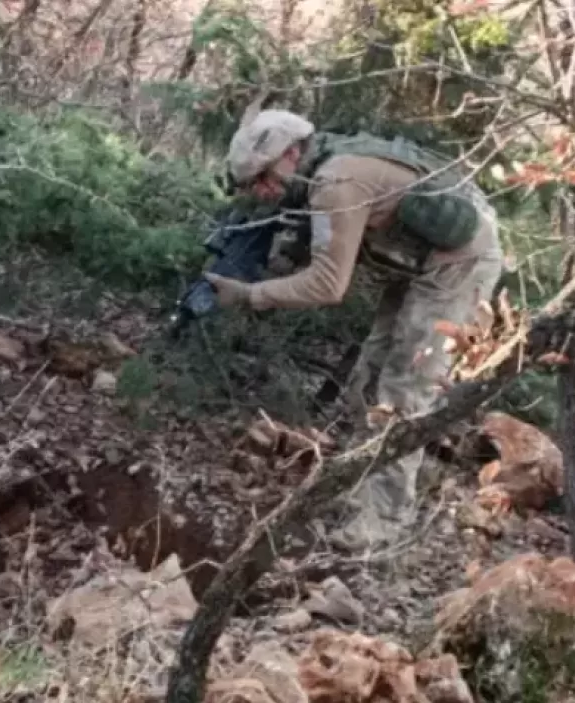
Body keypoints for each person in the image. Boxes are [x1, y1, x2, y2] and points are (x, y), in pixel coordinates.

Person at [203, 108, 505, 551]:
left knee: (406, 387)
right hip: (421, 264)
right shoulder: (318, 173)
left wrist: (251, 294)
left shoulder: (334, 182)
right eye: (253, 184)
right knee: (368, 378)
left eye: (264, 177)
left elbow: (328, 284)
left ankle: (384, 519)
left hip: (462, 263)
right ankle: (353, 487)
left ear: (291, 153)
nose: (262, 191)